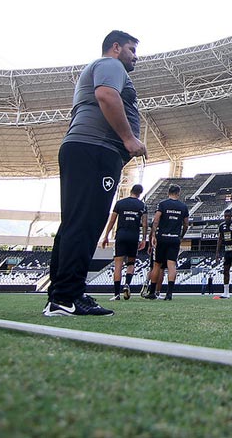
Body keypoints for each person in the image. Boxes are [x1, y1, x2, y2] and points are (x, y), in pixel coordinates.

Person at [44, 30, 147, 317]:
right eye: (131, 49)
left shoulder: (101, 67)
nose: (135, 56)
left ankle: (60, 295)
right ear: (116, 47)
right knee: (86, 224)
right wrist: (129, 139)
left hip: (83, 149)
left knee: (74, 224)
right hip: (96, 150)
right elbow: (105, 95)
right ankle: (67, 297)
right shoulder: (110, 65)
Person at [101, 184, 147, 301]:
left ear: (131, 191)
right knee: (131, 263)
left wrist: (106, 236)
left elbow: (112, 220)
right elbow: (145, 224)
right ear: (140, 193)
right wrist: (143, 239)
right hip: (133, 236)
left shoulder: (120, 203)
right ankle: (127, 284)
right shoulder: (142, 205)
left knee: (118, 265)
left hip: (121, 236)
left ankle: (116, 294)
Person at [144, 184, 189, 301]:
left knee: (157, 265)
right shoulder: (183, 207)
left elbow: (156, 220)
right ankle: (169, 293)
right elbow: (186, 224)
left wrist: (153, 234)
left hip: (162, 237)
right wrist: (181, 236)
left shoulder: (163, 204)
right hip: (174, 238)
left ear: (168, 192)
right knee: (171, 265)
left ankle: (152, 291)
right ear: (178, 193)